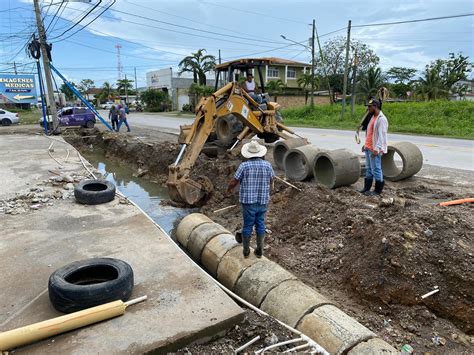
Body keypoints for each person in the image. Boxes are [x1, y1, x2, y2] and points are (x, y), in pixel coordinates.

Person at [226, 141, 275, 258]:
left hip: (248, 202)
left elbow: (234, 181)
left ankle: (246, 251)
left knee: (248, 225)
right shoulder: (267, 165)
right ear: (260, 153)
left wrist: (229, 189)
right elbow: (272, 179)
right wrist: (270, 189)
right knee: (260, 224)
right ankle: (259, 250)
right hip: (262, 201)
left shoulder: (244, 166)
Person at [359, 98, 388, 195]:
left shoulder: (382, 119)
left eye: (370, 106)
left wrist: (377, 148)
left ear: (375, 106)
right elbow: (370, 133)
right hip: (368, 147)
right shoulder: (372, 117)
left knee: (376, 169)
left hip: (375, 149)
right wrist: (365, 144)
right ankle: (366, 188)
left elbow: (382, 136)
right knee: (368, 168)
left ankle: (377, 191)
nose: (368, 108)